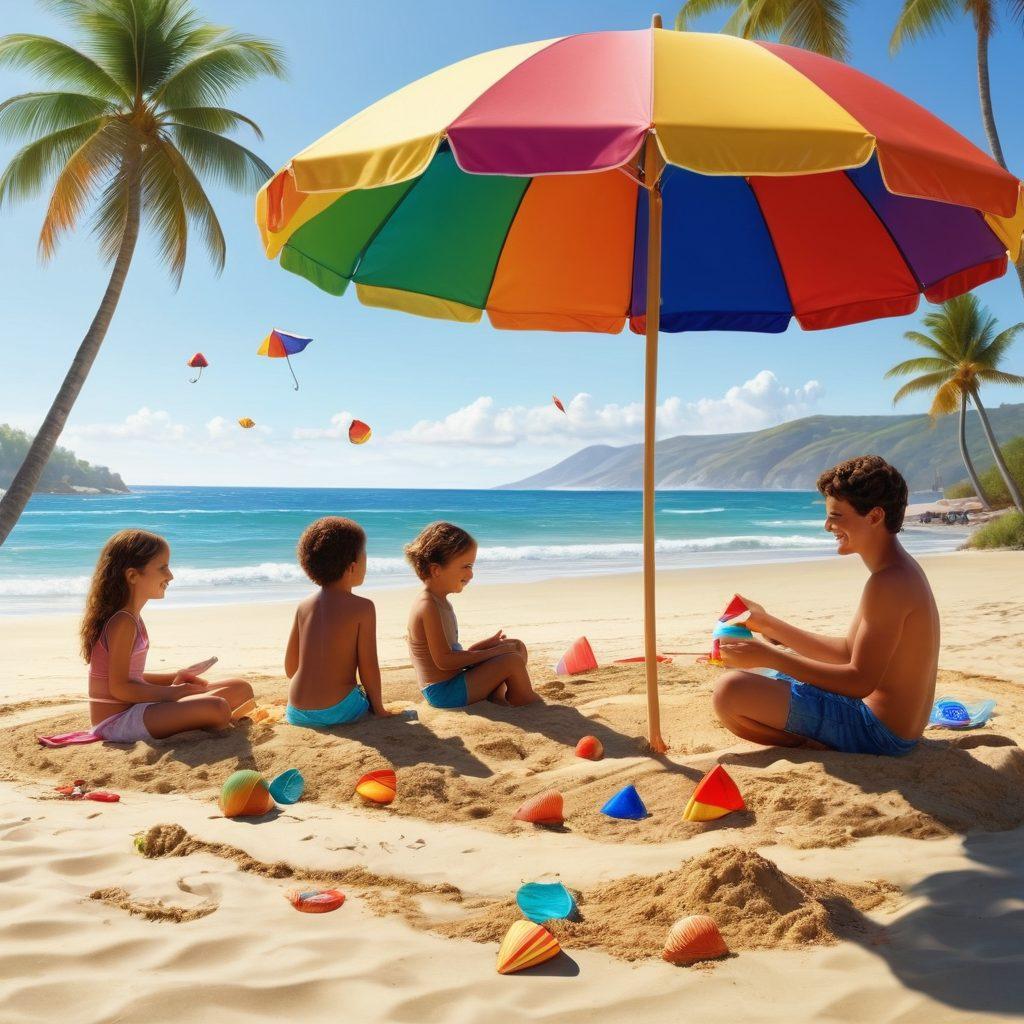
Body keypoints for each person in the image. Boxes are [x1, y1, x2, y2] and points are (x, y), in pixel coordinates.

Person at [714, 455, 938, 757]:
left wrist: (773, 656)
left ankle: (808, 747)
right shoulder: (896, 572)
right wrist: (768, 624)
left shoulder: (889, 583)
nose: (827, 525)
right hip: (886, 724)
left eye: (836, 516)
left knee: (730, 692)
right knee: (754, 672)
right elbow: (847, 652)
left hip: (877, 732)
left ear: (874, 517)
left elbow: (859, 681)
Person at [83, 529, 254, 742]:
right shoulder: (123, 622)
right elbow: (119, 688)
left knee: (240, 688)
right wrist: (172, 693)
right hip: (117, 721)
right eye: (163, 567)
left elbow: (132, 678)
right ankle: (203, 718)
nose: (170, 575)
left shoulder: (132, 618)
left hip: (137, 708)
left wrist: (174, 678)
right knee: (217, 707)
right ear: (133, 575)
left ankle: (196, 717)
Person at [405, 521, 541, 709]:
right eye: (466, 566)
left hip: (454, 680)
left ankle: (497, 696)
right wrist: (492, 652)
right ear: (436, 570)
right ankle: (525, 700)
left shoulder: (441, 602)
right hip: (443, 692)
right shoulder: (427, 606)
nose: (471, 574)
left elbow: (454, 652)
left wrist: (487, 646)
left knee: (516, 647)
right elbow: (444, 661)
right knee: (511, 660)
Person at [285, 516, 392, 727]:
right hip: (338, 710)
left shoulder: (303, 606)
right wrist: (378, 708)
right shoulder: (363, 607)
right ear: (352, 567)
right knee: (361, 698)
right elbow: (368, 666)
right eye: (364, 556)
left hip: (296, 710)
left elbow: (291, 668)